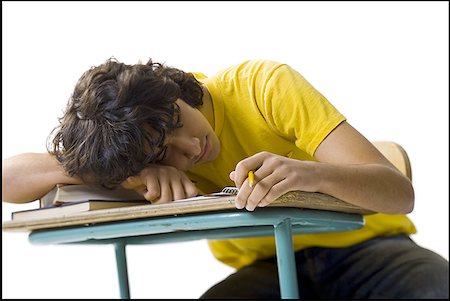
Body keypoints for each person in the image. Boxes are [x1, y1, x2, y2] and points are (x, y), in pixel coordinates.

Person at [3, 58, 448, 299]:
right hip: (266, 268)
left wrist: (312, 174)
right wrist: (123, 167)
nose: (191, 149)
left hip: (371, 248)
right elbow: (8, 180)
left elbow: (398, 192)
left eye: (176, 123)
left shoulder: (262, 87)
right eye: (166, 152)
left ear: (176, 91)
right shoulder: (140, 158)